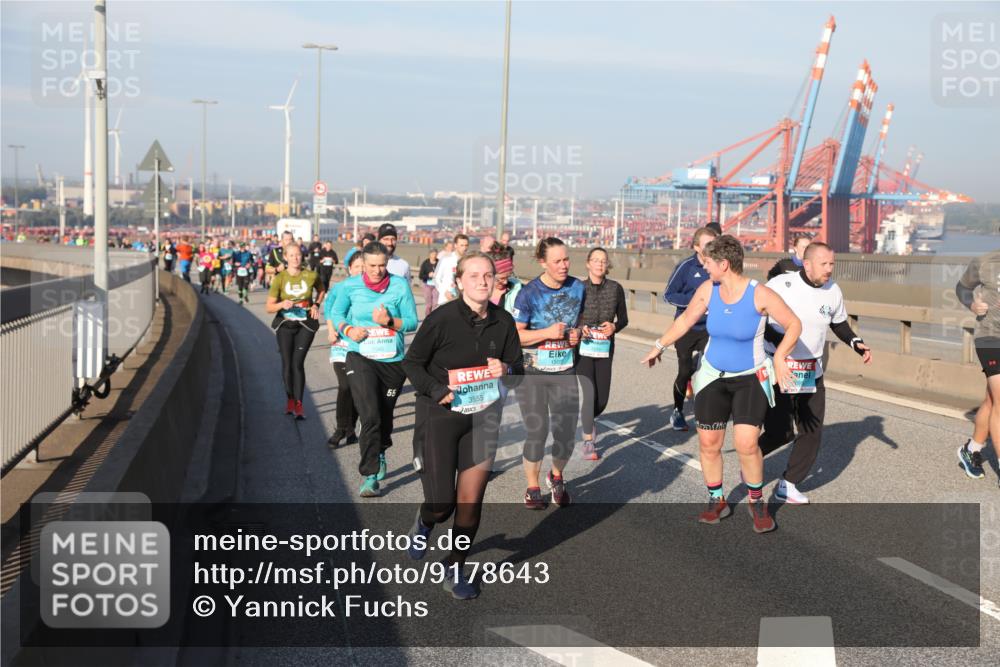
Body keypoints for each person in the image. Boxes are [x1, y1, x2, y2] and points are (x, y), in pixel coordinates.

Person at [640, 235, 801, 533]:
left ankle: (756, 501)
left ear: (724, 264)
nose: (704, 267)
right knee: (709, 443)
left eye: (708, 263)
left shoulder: (759, 294)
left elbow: (794, 324)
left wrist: (780, 357)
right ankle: (717, 499)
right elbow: (685, 320)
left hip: (750, 377)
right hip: (713, 376)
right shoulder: (708, 290)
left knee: (747, 444)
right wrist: (659, 345)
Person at [402, 251, 524, 600]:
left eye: (487, 275)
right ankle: (425, 520)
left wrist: (507, 369)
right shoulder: (442, 319)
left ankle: (455, 567)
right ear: (459, 281)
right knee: (442, 505)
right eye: (474, 275)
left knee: (470, 502)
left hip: (484, 417)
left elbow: (518, 371)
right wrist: (436, 390)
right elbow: (412, 363)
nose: (482, 281)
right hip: (440, 415)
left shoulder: (503, 321)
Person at [759, 242, 872, 503]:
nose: (829, 269)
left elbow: (839, 323)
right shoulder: (781, 285)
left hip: (811, 369)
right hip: (781, 367)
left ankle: (788, 483)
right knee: (780, 433)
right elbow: (760, 320)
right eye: (824, 264)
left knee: (811, 431)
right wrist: (781, 344)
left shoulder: (833, 290)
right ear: (807, 264)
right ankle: (751, 457)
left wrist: (856, 342)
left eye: (832, 264)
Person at [331, 241, 418, 497]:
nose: (377, 270)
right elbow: (337, 313)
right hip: (360, 357)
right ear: (363, 263)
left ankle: (380, 449)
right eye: (372, 265)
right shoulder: (350, 286)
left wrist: (389, 321)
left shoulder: (399, 285)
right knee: (369, 415)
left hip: (392, 361)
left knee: (385, 416)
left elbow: (412, 322)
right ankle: (370, 476)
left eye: (382, 265)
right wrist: (348, 330)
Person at [513, 237, 585, 509]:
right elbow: (516, 335)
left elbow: (579, 322)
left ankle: (556, 476)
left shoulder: (578, 287)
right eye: (557, 261)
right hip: (533, 372)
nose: (564, 265)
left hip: (565, 369)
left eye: (566, 259)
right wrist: (546, 333)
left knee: (566, 432)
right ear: (543, 262)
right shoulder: (528, 293)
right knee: (538, 430)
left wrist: (577, 333)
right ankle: (532, 487)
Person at [663, 226, 719, 431]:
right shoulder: (686, 267)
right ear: (696, 247)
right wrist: (695, 302)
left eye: (714, 243)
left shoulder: (719, 266)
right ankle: (678, 411)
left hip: (709, 329)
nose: (712, 247)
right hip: (686, 328)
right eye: (707, 244)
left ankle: (707, 411)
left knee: (710, 370)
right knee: (685, 372)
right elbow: (668, 295)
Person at [577, 247, 628, 461]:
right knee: (589, 394)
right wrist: (580, 327)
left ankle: (589, 418)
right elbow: (571, 316)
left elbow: (624, 319)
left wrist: (614, 327)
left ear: (607, 265)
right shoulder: (578, 288)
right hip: (583, 349)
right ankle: (589, 441)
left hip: (605, 349)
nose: (599, 264)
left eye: (603, 260)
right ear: (588, 263)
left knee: (602, 399)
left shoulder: (616, 288)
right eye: (596, 260)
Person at [955, 249, 1000, 483]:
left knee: (992, 401)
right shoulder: (985, 262)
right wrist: (972, 305)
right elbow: (961, 288)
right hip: (990, 338)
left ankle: (971, 450)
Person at [265, 243, 323, 419]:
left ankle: (299, 404)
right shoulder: (280, 278)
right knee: (287, 364)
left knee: (297, 363)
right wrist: (282, 304)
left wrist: (316, 304)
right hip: (285, 324)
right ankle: (290, 399)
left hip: (305, 325)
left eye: (298, 254)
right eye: (291, 255)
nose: (295, 258)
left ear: (302, 255)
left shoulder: (311, 275)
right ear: (285, 257)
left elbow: (321, 290)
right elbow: (269, 307)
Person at [324, 252, 364, 448]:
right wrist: (331, 330)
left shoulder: (370, 290)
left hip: (361, 344)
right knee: (345, 385)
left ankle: (351, 429)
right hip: (341, 342)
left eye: (364, 267)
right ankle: (340, 429)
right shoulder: (340, 287)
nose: (361, 271)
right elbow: (329, 308)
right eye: (357, 267)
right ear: (349, 269)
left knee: (355, 388)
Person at [434, 233, 469, 308]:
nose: (464, 248)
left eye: (466, 245)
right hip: (446, 299)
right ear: (455, 245)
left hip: (463, 300)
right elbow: (436, 278)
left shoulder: (469, 261)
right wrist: (444, 292)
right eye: (462, 245)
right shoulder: (446, 259)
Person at [488, 243, 522, 314]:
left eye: (508, 277)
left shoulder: (517, 290)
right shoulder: (478, 291)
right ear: (489, 275)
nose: (505, 282)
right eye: (502, 278)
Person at [419, 249, 439, 318]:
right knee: (429, 305)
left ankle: (434, 319)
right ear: (429, 255)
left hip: (436, 286)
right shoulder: (425, 263)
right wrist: (428, 275)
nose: (434, 256)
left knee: (435, 304)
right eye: (433, 254)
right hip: (427, 285)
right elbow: (420, 276)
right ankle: (427, 318)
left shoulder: (439, 262)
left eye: (435, 254)